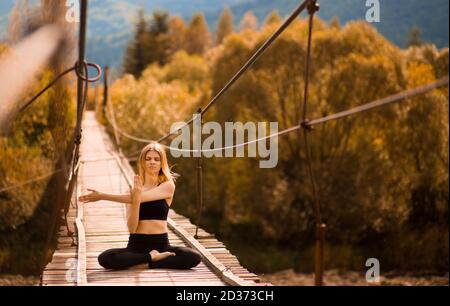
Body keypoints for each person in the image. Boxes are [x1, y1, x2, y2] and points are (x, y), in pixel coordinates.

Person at [78, 141, 202, 270]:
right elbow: (132, 229)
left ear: (162, 163)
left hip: (162, 245)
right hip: (136, 246)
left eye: (156, 159)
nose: (152, 162)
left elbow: (139, 197)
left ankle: (143, 263)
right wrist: (135, 201)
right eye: (148, 159)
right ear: (143, 162)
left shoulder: (167, 186)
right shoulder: (132, 192)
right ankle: (150, 258)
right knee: (105, 258)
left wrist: (103, 196)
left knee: (193, 257)